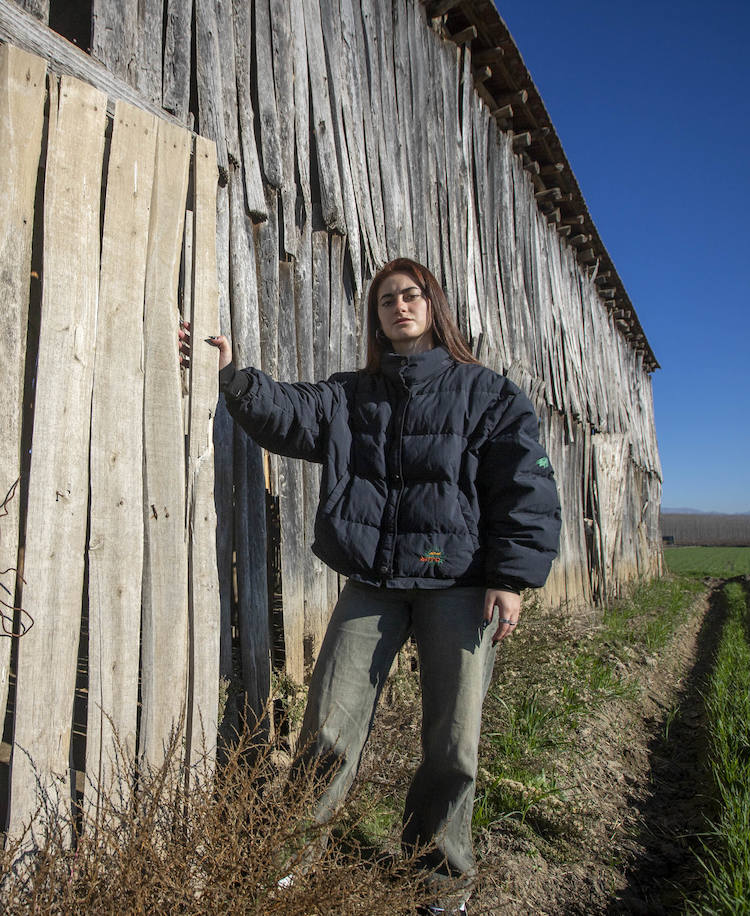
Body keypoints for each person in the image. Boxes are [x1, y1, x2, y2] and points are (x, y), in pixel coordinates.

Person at [178, 257, 561, 911]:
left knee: (452, 743)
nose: (399, 306)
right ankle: (291, 862)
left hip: (461, 584)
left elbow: (523, 487)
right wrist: (232, 376)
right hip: (373, 584)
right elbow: (288, 414)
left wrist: (511, 579)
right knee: (328, 727)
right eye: (386, 300)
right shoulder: (352, 395)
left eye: (411, 295)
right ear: (376, 319)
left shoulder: (488, 394)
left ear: (433, 306)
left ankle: (439, 877)